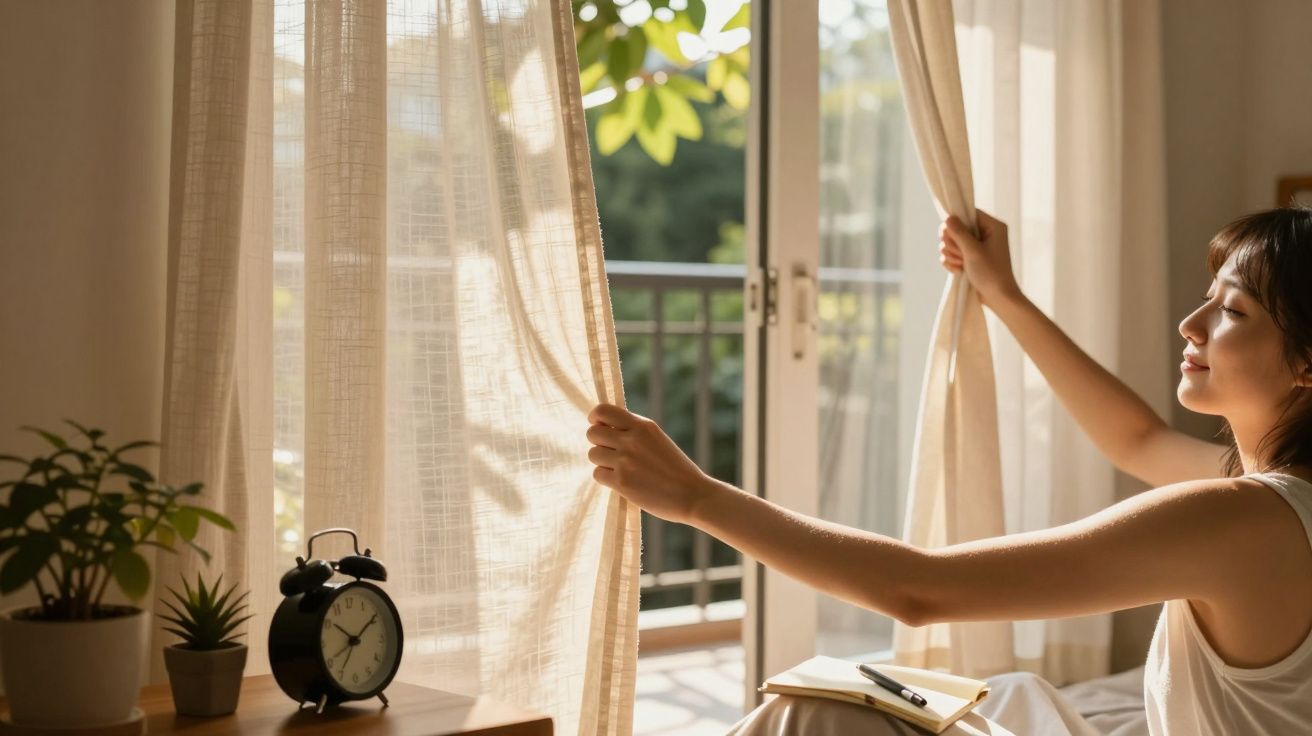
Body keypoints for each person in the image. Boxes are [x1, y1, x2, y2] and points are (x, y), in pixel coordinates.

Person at [585, 207, 1312, 735]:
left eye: (1234, 311)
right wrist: (1005, 295)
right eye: (1208, 297)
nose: (1191, 323)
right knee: (989, 696)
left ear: (1306, 364)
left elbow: (917, 589)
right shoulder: (1271, 507)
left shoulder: (1241, 520)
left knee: (812, 713)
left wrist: (695, 497)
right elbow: (1135, 437)